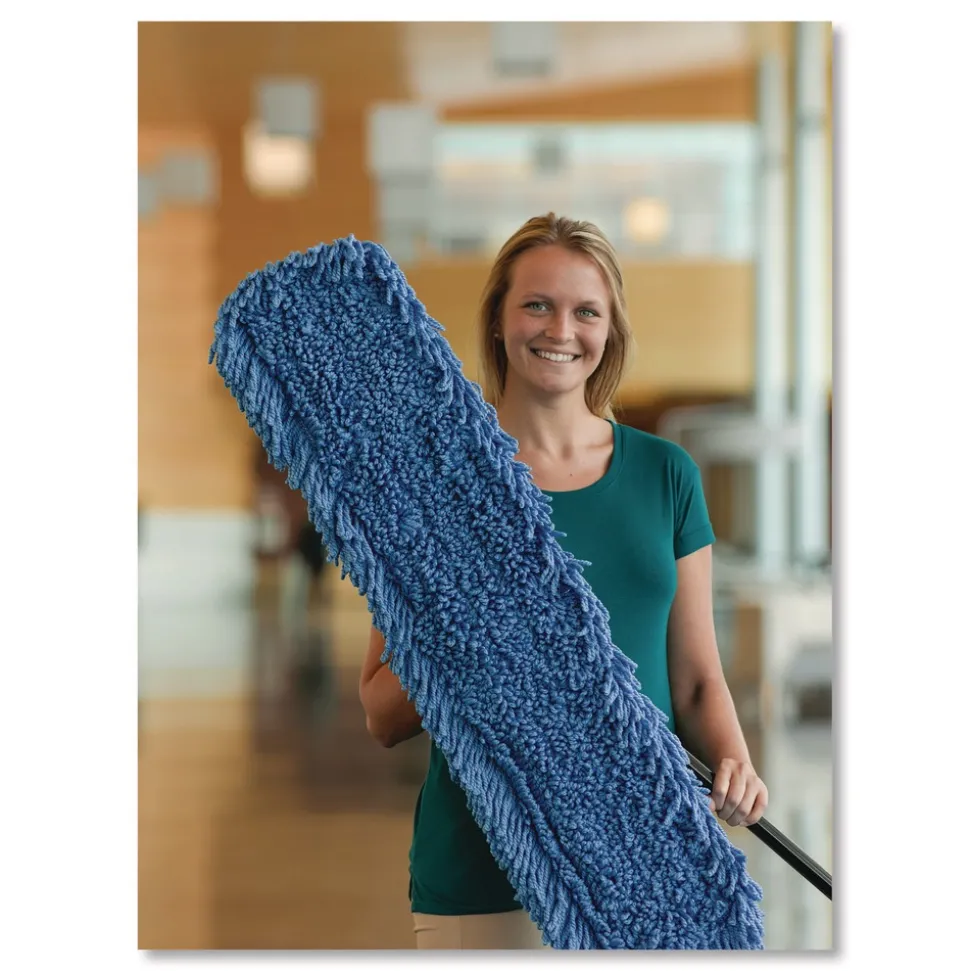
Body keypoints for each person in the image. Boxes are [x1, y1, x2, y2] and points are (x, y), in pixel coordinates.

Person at [358, 213, 769, 950]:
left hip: (641, 868)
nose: (561, 329)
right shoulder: (436, 483)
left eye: (587, 311)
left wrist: (735, 762)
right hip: (481, 876)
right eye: (537, 305)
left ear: (611, 330)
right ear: (498, 319)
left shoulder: (665, 475)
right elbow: (383, 715)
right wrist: (477, 614)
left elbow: (696, 681)